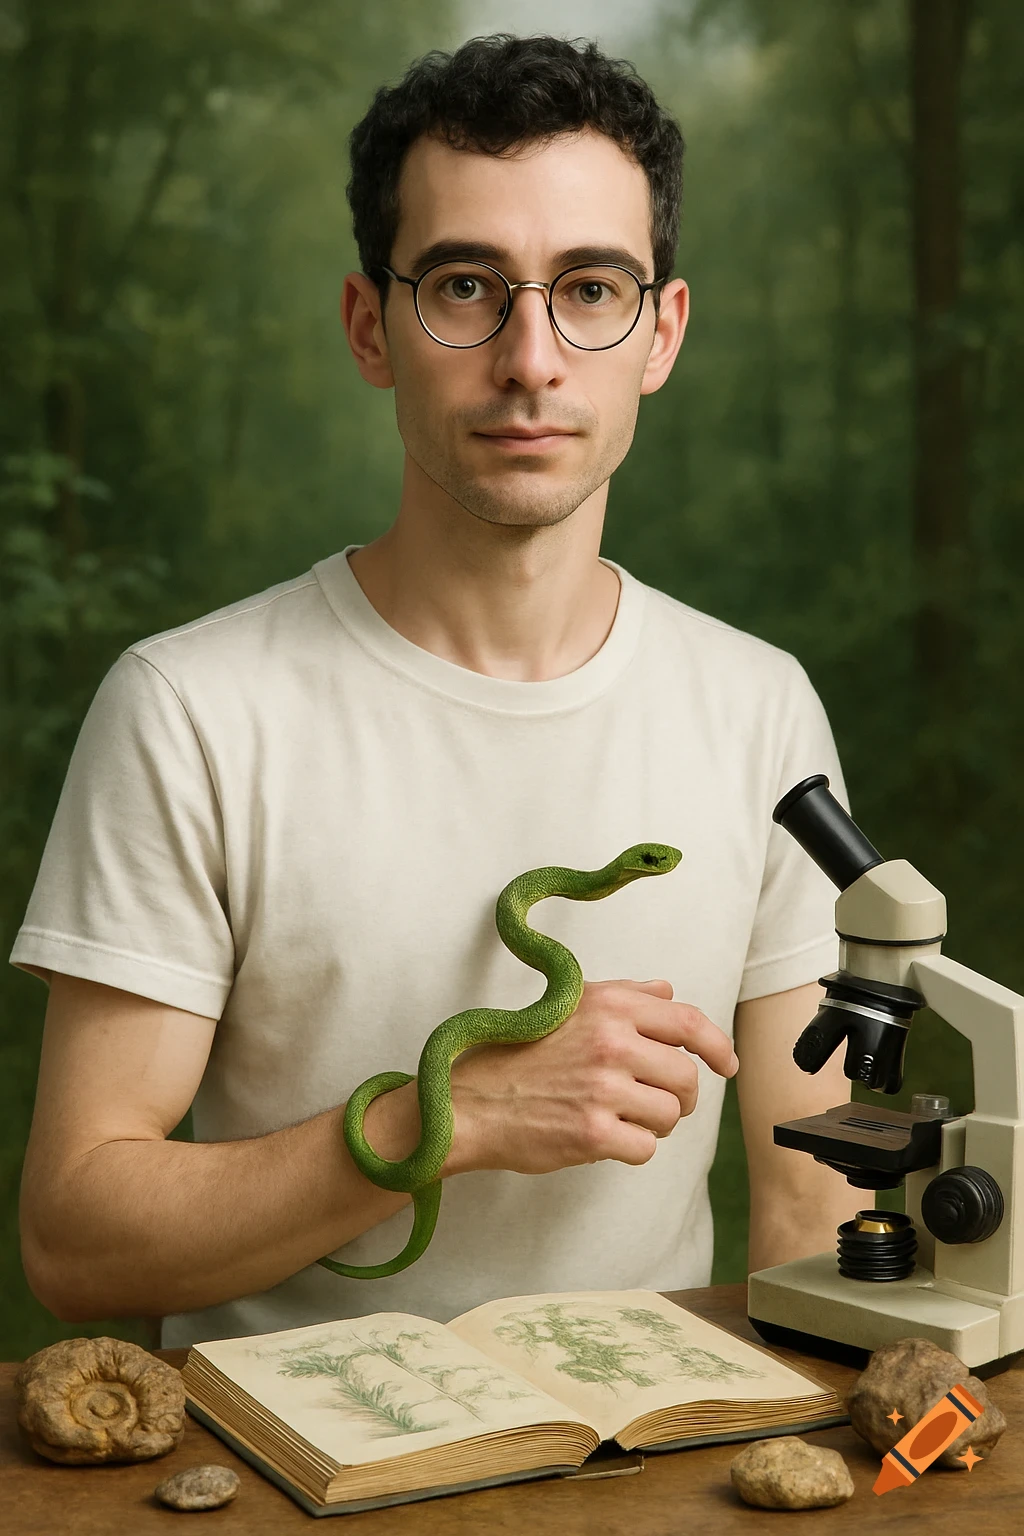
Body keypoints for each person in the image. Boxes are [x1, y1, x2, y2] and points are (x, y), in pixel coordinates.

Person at [14, 35, 863, 1349]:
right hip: (273, 1483)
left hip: (646, 1471)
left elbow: (810, 1207)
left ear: (661, 333)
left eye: (590, 289)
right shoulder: (187, 709)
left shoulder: (764, 711)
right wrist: (446, 1118)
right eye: (467, 286)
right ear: (372, 326)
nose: (531, 358)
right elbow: (74, 1241)